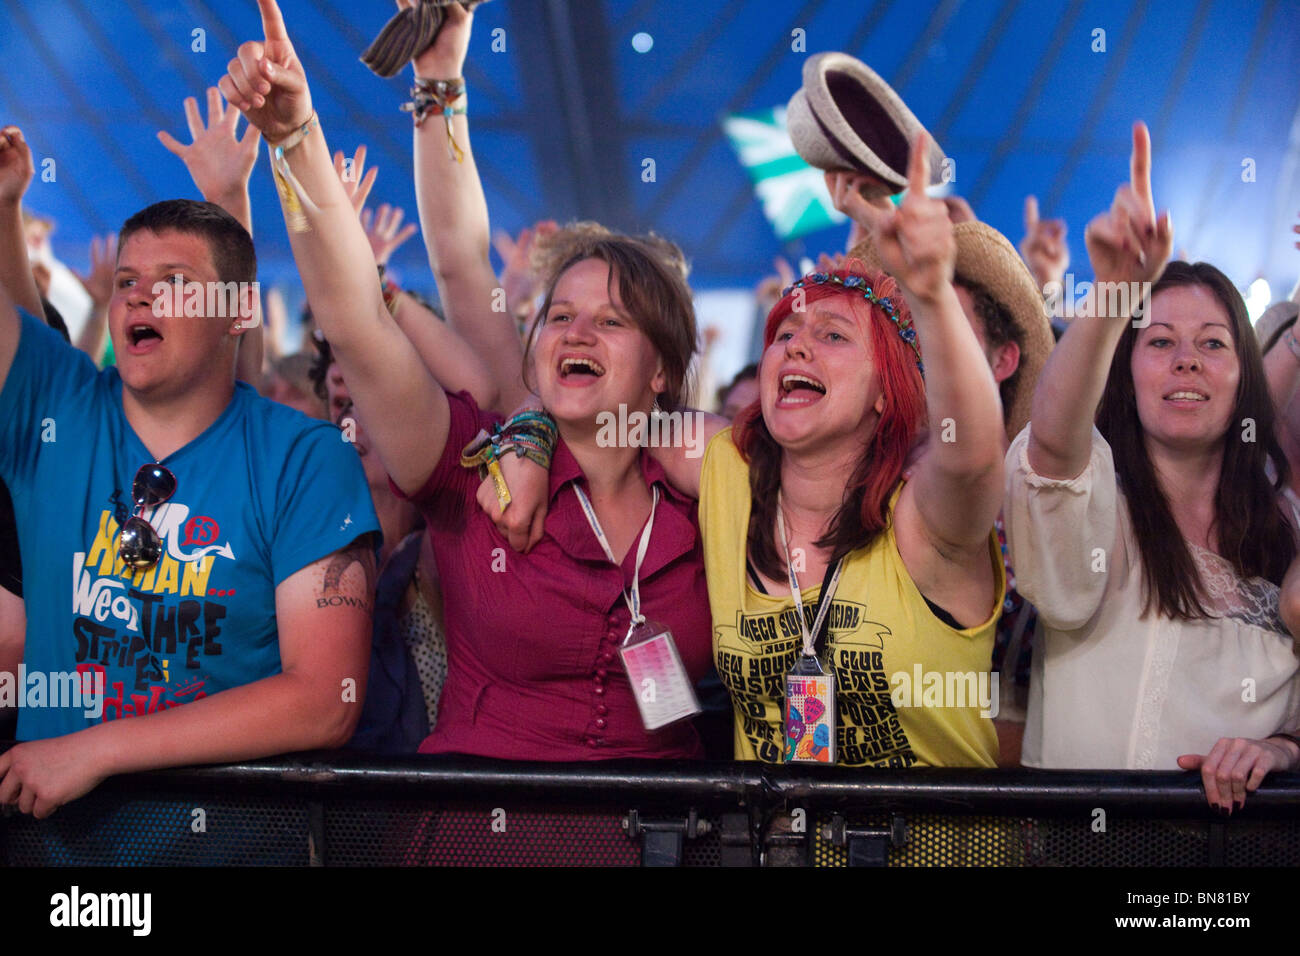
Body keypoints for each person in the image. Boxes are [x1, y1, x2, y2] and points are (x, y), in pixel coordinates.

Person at [222, 0, 712, 760]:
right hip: (486, 834)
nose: (577, 332)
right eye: (558, 317)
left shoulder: (709, 495)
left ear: (664, 372)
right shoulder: (474, 465)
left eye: (612, 322)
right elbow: (361, 318)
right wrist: (294, 137)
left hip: (669, 844)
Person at [491, 135, 1009, 768]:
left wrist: (929, 293)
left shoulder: (924, 514)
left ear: (886, 390)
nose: (796, 346)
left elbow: (977, 456)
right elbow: (595, 403)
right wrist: (527, 433)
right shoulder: (729, 468)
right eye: (784, 332)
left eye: (832, 334)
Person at [0, 120, 379, 820]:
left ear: (238, 312)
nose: (139, 297)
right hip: (60, 868)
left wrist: (98, 749)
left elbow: (327, 701)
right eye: (125, 282)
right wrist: (3, 206)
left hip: (231, 851)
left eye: (174, 281)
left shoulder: (305, 459)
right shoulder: (56, 415)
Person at [1004, 122, 1300, 811]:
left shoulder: (1285, 528)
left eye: (1214, 343)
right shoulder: (1096, 497)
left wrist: (1281, 750)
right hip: (1080, 859)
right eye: (1160, 341)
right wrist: (1113, 293)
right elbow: (1051, 451)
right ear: (1126, 374)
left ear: (1245, 378)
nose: (1186, 360)